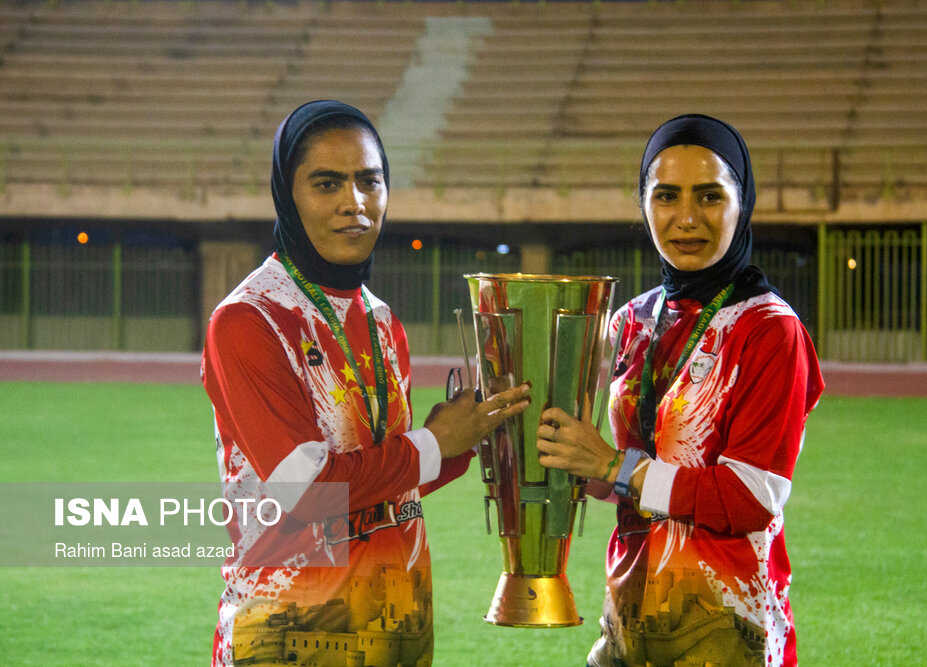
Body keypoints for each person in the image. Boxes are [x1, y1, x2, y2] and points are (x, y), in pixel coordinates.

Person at [201, 100, 530, 667]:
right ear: (288, 193)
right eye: (327, 184)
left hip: (396, 624)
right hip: (288, 634)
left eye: (368, 182)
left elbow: (384, 483)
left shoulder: (380, 321)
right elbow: (308, 492)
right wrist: (432, 445)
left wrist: (474, 434)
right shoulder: (250, 320)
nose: (353, 204)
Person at [536, 114, 824, 667]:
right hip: (629, 614)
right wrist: (563, 457)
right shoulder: (633, 320)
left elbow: (752, 499)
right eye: (666, 196)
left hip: (726, 625)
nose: (686, 218)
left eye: (710, 196)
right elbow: (620, 477)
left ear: (743, 205)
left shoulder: (769, 330)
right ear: (644, 205)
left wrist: (615, 466)